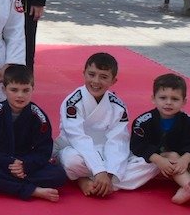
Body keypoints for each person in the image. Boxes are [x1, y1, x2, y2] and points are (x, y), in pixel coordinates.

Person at [53, 52, 159, 197]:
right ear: (84, 74)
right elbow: (78, 138)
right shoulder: (72, 102)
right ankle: (91, 180)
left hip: (106, 153)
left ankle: (93, 181)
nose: (96, 81)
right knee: (71, 161)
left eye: (103, 77)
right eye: (91, 74)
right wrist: (99, 170)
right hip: (76, 150)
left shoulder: (118, 106)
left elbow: (118, 141)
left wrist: (109, 173)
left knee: (151, 165)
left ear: (113, 81)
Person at [0, 64, 67, 201]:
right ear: (4, 90)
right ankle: (32, 190)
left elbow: (44, 151)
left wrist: (24, 165)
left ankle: (0, 185)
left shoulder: (39, 117)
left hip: (25, 164)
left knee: (59, 175)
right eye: (14, 90)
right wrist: (9, 163)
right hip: (1, 162)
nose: (20, 95)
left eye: (25, 90)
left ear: (33, 89)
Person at [130, 73, 190, 207]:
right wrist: (159, 159)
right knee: (172, 155)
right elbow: (137, 145)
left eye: (175, 99)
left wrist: (185, 159)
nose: (168, 102)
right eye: (163, 98)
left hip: (179, 167)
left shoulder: (189, 122)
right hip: (152, 165)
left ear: (184, 102)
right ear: (153, 99)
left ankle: (184, 190)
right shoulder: (143, 121)